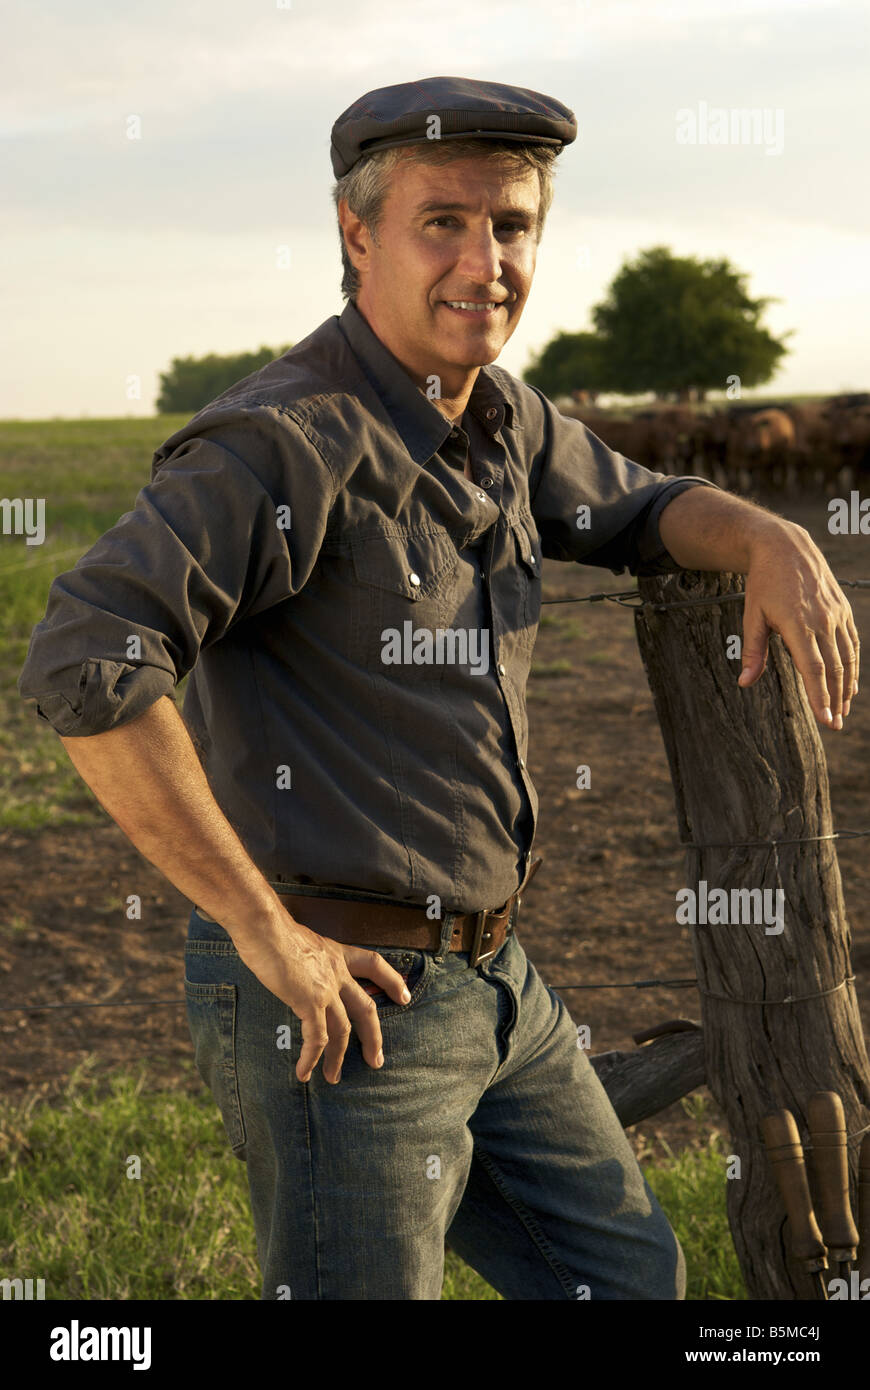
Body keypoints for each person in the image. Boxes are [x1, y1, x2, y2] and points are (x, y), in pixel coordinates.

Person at [18, 76, 858, 1301]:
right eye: (443, 223)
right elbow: (84, 655)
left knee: (627, 1281)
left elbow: (639, 506)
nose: (487, 260)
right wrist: (265, 932)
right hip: (340, 998)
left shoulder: (503, 420)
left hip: (494, 980)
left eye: (512, 226)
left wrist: (770, 538)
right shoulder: (282, 442)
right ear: (357, 234)